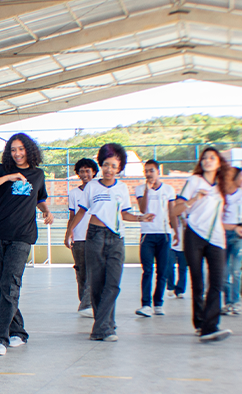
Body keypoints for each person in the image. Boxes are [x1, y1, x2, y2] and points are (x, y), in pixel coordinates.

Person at [0, 132, 54, 355]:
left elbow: (39, 198)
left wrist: (46, 211)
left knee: (10, 285)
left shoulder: (38, 174)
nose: (17, 153)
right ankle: (18, 331)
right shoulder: (1, 170)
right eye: (13, 150)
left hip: (22, 236)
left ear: (29, 150)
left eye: (21, 149)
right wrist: (8, 178)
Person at [66, 143, 152, 342]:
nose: (109, 169)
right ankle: (106, 326)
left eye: (114, 166)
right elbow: (81, 211)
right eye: (106, 165)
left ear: (119, 168)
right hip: (95, 236)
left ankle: (101, 327)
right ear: (101, 165)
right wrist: (69, 231)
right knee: (97, 284)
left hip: (116, 238)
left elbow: (125, 214)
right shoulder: (92, 186)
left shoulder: (122, 188)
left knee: (113, 283)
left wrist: (140, 218)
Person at [171, 147, 232, 342]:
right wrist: (194, 199)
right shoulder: (194, 181)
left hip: (217, 237)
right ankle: (200, 323)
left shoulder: (223, 185)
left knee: (217, 282)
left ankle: (210, 325)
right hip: (194, 235)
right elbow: (175, 210)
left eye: (212, 158)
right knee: (197, 282)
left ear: (219, 163)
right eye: (205, 158)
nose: (207, 161)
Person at [134, 159, 175, 318]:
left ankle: (158, 303)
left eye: (151, 170)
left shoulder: (169, 189)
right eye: (146, 171)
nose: (148, 174)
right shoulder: (140, 189)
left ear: (158, 171)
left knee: (162, 270)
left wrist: (176, 232)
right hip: (147, 234)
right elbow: (143, 209)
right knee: (147, 270)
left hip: (164, 234)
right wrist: (147, 190)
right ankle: (146, 304)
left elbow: (172, 212)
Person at [221, 167, 242, 316]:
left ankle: (235, 302)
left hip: (239, 235)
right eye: (241, 176)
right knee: (223, 272)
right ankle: (227, 301)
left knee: (236, 270)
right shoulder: (220, 194)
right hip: (222, 234)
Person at [65, 158, 97, 316]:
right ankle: (85, 303)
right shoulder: (74, 193)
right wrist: (68, 233)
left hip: (96, 236)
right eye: (81, 171)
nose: (85, 174)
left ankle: (88, 304)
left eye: (87, 171)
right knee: (81, 272)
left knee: (94, 271)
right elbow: (72, 216)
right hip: (78, 238)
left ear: (94, 172)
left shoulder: (99, 190)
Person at [168, 207, 188, 299]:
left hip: (183, 245)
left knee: (182, 269)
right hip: (171, 245)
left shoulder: (186, 214)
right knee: (169, 266)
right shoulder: (170, 213)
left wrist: (182, 218)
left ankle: (180, 290)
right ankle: (171, 286)